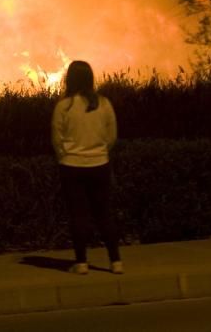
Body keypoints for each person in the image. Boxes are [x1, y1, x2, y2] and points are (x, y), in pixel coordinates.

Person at [51, 60, 123, 275]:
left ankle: (81, 262)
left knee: (78, 215)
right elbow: (112, 137)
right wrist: (100, 152)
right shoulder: (104, 104)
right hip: (99, 165)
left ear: (69, 79)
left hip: (71, 167)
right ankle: (116, 261)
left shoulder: (64, 106)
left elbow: (57, 138)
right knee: (104, 214)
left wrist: (66, 155)